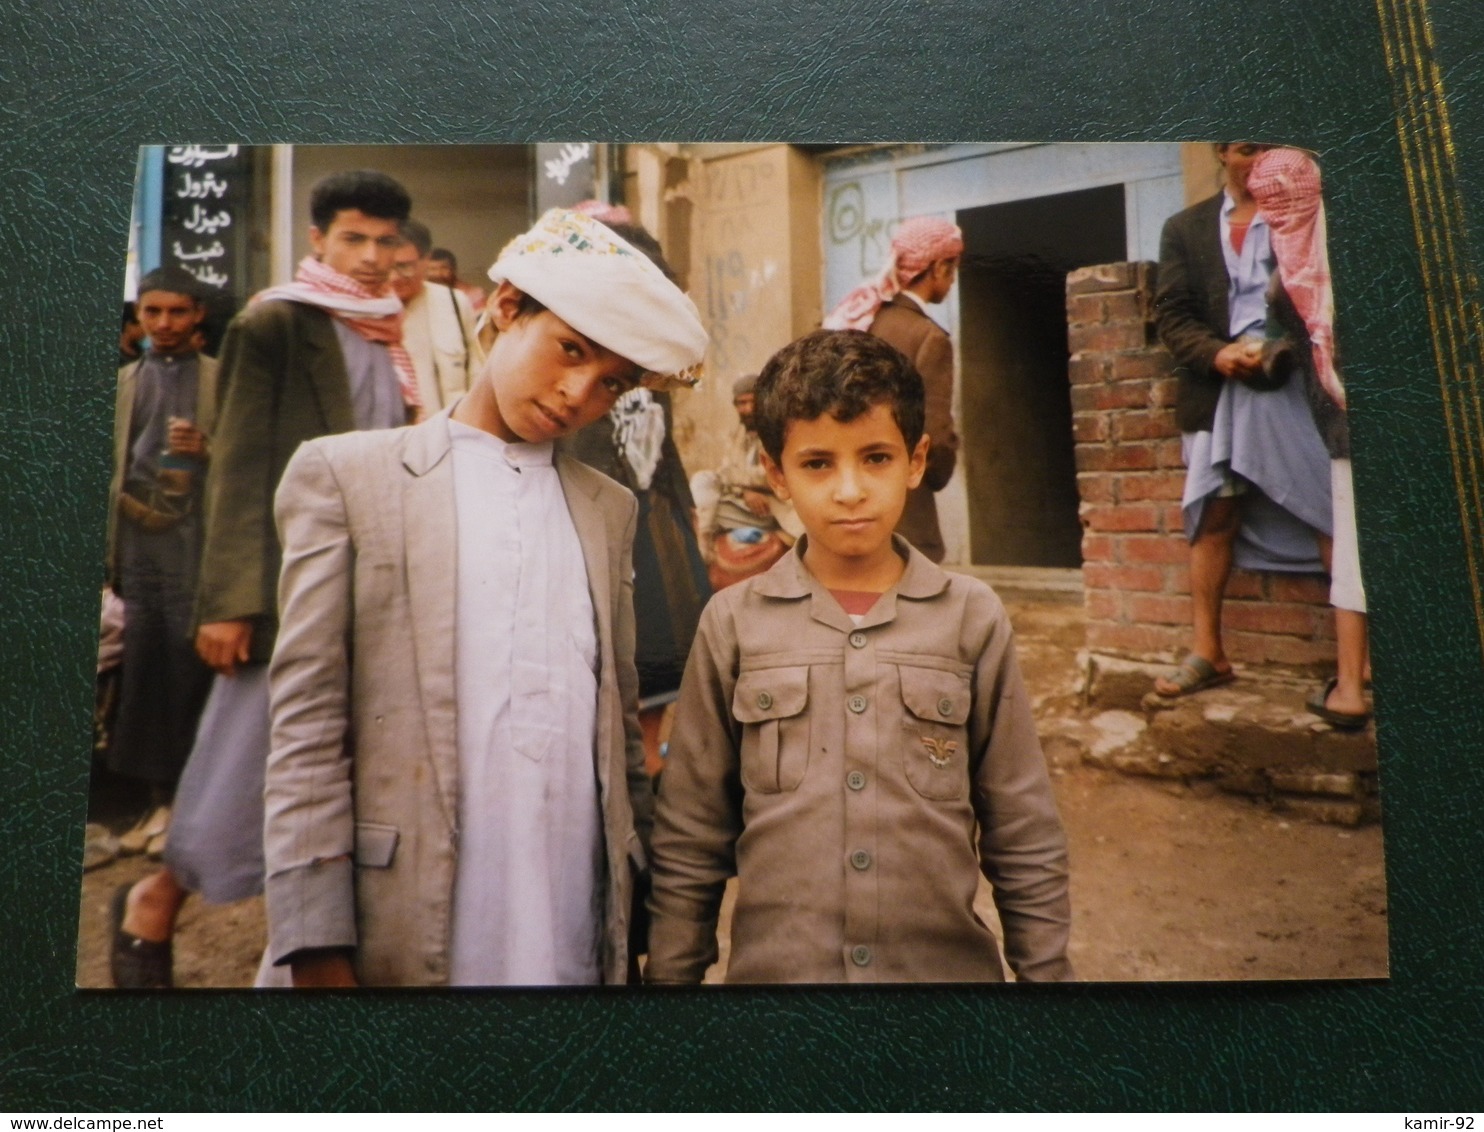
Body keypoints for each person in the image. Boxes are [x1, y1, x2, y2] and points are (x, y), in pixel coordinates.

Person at [263, 208, 708, 987]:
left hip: (567, 906)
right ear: (506, 309)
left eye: (613, 382)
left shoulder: (608, 510)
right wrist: (316, 942)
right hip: (403, 919)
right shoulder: (349, 478)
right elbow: (306, 728)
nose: (577, 393)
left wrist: (636, 922)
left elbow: (615, 725)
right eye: (569, 350)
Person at [646, 329, 1072, 984]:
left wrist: (1050, 986)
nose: (850, 490)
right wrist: (670, 989)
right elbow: (690, 837)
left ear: (916, 460)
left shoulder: (970, 617)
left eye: (875, 458)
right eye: (818, 463)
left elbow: (1023, 831)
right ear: (775, 473)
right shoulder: (733, 625)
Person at [109, 170, 416, 989]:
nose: (372, 256)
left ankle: (304, 952)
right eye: (354, 238)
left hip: (372, 590)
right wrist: (232, 601)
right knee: (245, 756)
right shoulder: (277, 321)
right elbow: (239, 465)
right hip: (288, 590)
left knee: (334, 774)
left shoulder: (390, 329)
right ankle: (154, 902)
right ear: (319, 240)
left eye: (387, 240)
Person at [1152, 143, 1335, 697]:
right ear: (1220, 153)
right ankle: (1209, 652)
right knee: (1215, 513)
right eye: (1244, 152)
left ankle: (1361, 661)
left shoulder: (1307, 212)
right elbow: (1172, 314)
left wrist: (1286, 348)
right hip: (1218, 391)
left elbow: (1322, 293)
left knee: (1328, 508)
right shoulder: (1185, 228)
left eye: (1265, 151)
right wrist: (1216, 353)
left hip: (1295, 386)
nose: (1256, 165)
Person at [1247, 148, 1371, 729]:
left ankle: (1350, 689)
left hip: (1346, 431)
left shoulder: (1283, 271)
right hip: (1401, 427)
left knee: (1352, 555)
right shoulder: (1358, 245)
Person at [100, 267, 217, 866]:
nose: (165, 324)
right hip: (139, 554)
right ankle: (155, 807)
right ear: (139, 317)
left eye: (177, 312)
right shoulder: (122, 384)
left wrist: (211, 450)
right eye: (153, 313)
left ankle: (190, 816)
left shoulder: (223, 382)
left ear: (198, 314)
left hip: (198, 551)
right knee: (143, 674)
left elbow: (249, 472)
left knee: (191, 672)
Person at [824, 215, 963, 562]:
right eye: (953, 267)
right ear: (940, 268)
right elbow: (935, 434)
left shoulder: (859, 320)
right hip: (904, 512)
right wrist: (935, 474)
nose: (953, 278)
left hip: (844, 503)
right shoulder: (929, 337)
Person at [690, 372, 803, 590]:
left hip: (777, 508)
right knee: (702, 482)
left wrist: (745, 483)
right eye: (742, 403)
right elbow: (725, 473)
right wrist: (744, 492)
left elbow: (772, 474)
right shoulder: (739, 435)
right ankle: (704, 545)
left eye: (753, 402)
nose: (748, 409)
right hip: (746, 505)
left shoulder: (780, 432)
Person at [391, 219, 485, 415]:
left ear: (426, 260)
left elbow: (475, 375)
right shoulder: (367, 309)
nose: (394, 277)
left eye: (404, 267)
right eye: (388, 267)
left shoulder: (454, 303)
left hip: (450, 431)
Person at [427, 247, 486, 311]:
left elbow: (482, 319)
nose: (438, 273)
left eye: (444, 268)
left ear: (453, 269)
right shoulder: (420, 295)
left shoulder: (474, 295)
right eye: (432, 269)